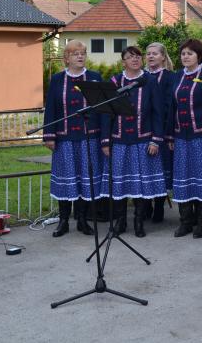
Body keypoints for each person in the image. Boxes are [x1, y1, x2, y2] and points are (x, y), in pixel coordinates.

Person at [100, 46, 166, 238]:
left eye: (138, 56)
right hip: (119, 141)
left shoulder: (149, 81)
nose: (135, 59)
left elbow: (158, 113)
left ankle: (139, 221)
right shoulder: (114, 81)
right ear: (123, 62)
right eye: (130, 57)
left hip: (143, 140)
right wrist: (106, 141)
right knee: (119, 183)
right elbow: (106, 113)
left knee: (141, 184)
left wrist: (155, 140)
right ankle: (121, 221)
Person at [43, 40, 102, 239]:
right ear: (66, 58)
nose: (80, 56)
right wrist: (49, 135)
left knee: (85, 178)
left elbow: (102, 109)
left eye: (83, 53)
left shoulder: (94, 78)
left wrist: (104, 137)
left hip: (89, 137)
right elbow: (51, 108)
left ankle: (83, 220)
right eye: (75, 54)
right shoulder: (57, 79)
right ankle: (63, 221)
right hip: (64, 138)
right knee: (67, 178)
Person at [169, 39, 202, 239]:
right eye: (183, 53)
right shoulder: (177, 76)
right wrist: (169, 135)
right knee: (183, 178)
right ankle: (185, 221)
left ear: (199, 56)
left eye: (190, 53)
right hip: (181, 136)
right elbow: (171, 107)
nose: (185, 57)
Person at [143, 42, 176, 224]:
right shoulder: (141, 76)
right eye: (148, 53)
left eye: (155, 53)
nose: (151, 56)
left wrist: (165, 133)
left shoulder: (170, 77)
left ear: (163, 57)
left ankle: (159, 206)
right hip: (142, 130)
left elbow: (170, 107)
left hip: (161, 129)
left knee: (160, 169)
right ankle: (146, 205)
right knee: (146, 168)